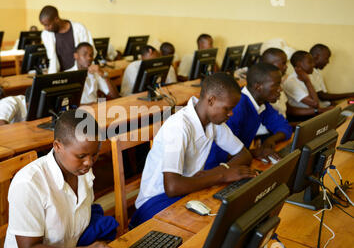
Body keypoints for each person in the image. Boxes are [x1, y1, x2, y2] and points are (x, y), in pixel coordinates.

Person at [0, 109, 120, 248]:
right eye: (81, 156)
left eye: (95, 154)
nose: (89, 162)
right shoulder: (29, 184)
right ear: (57, 146)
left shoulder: (81, 171)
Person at [130, 73, 257, 228]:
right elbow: (172, 187)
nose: (231, 114)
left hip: (188, 190)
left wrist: (218, 171)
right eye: (228, 109)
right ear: (211, 100)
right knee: (208, 228)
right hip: (155, 202)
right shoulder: (179, 126)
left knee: (227, 214)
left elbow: (243, 154)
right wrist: (222, 175)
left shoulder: (214, 123)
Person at [205, 63, 293, 170]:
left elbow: (285, 127)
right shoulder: (235, 109)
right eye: (276, 85)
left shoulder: (262, 104)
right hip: (216, 169)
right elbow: (220, 154)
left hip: (239, 161)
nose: (280, 89)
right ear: (258, 87)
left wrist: (270, 141)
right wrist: (254, 152)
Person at [39, 5, 93, 74]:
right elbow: (52, 58)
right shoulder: (46, 34)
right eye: (44, 25)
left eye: (48, 25)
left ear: (56, 19)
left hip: (79, 72)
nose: (46, 28)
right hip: (60, 74)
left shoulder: (79, 28)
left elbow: (90, 51)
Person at [283, 50, 333, 121]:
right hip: (302, 118)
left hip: (313, 113)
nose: (313, 65)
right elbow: (315, 104)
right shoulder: (291, 81)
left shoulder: (307, 76)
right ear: (299, 64)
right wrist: (307, 82)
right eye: (310, 62)